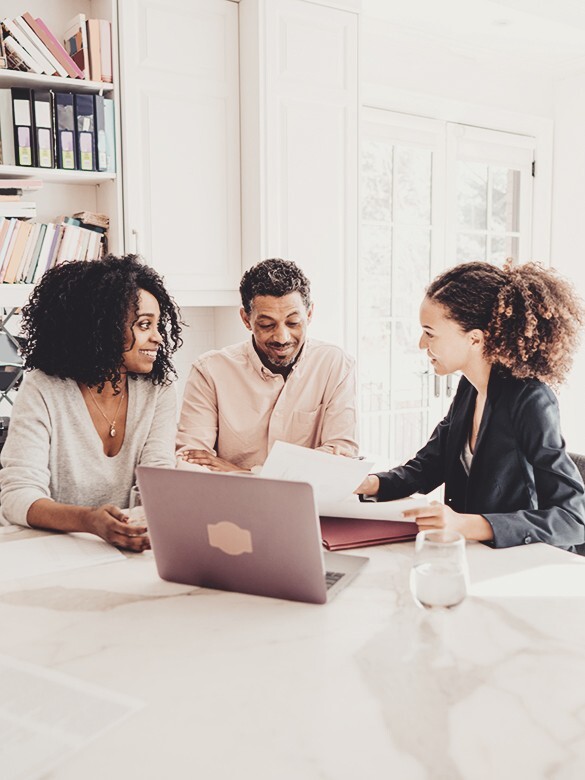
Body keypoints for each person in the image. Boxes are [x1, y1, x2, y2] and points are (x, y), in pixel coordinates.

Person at [357, 260, 585, 552]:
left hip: (521, 561)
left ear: (475, 338)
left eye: (430, 333)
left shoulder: (530, 400)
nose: (421, 344)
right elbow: (428, 466)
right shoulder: (469, 387)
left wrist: (465, 524)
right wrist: (367, 484)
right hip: (475, 556)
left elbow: (573, 519)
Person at [0, 255, 182, 552]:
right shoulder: (44, 387)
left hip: (123, 548)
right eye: (144, 325)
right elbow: (18, 497)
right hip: (48, 550)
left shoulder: (158, 389)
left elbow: (158, 481)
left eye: (157, 325)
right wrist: (89, 521)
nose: (158, 337)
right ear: (103, 327)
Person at [177, 258, 358, 472]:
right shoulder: (209, 371)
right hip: (231, 504)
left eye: (293, 323)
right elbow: (191, 462)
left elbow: (341, 456)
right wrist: (307, 466)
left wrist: (243, 473)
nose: (282, 337)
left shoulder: (335, 365)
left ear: (309, 314)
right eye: (267, 325)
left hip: (308, 504)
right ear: (246, 319)